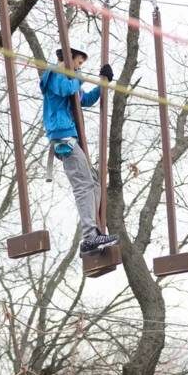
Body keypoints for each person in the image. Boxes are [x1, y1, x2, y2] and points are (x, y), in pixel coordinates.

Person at [40, 47, 118, 254]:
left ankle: (95, 231)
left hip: (70, 136)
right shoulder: (54, 74)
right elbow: (66, 90)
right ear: (69, 59)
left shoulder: (70, 80)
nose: (79, 67)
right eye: (79, 63)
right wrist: (79, 77)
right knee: (83, 184)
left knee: (94, 181)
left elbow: (85, 100)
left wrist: (103, 83)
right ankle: (89, 237)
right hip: (62, 135)